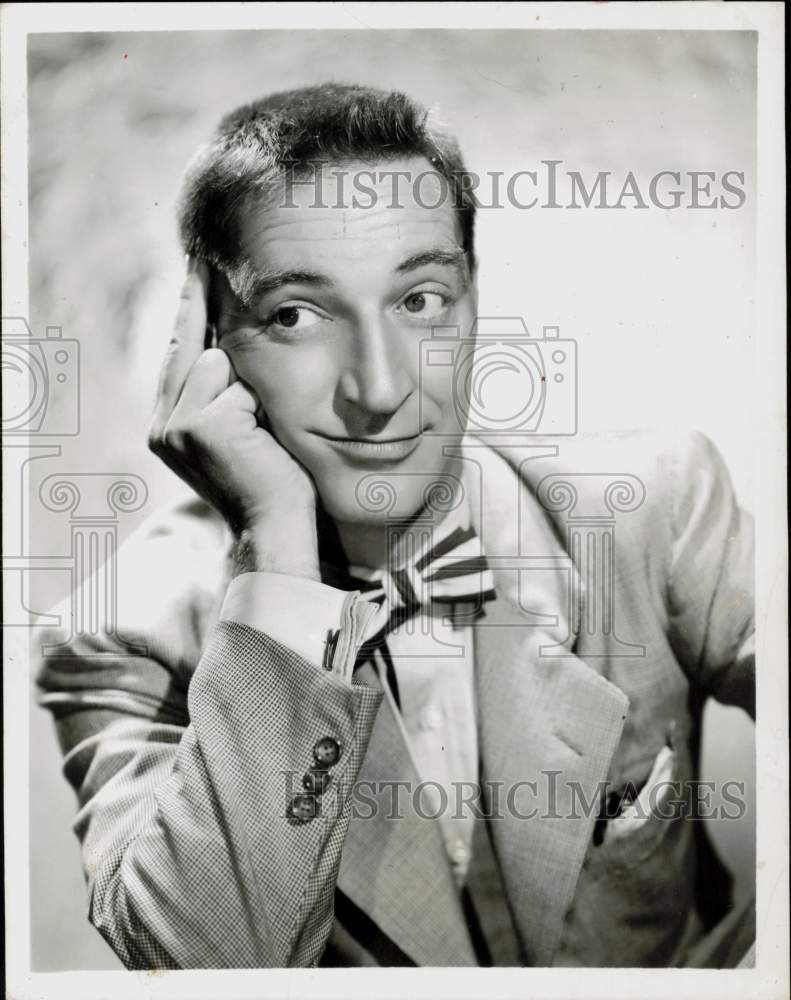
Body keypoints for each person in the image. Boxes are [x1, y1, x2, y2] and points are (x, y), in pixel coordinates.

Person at [35, 83, 755, 969]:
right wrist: (279, 552)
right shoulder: (122, 634)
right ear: (206, 343)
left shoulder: (655, 509)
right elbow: (209, 967)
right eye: (295, 315)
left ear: (473, 302)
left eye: (419, 301)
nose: (378, 391)